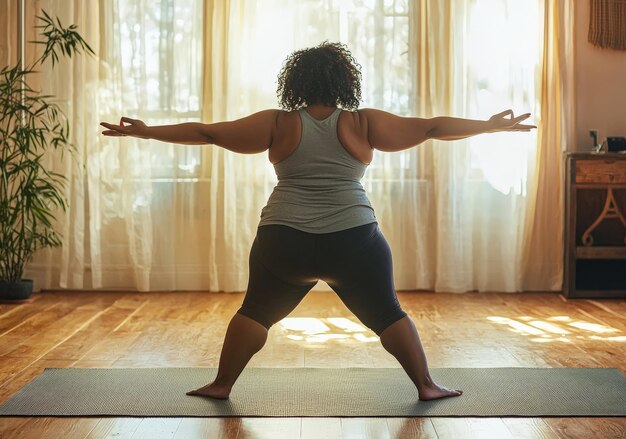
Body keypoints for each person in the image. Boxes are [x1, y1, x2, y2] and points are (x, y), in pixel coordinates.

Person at [100, 41, 535, 402]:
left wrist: (146, 131)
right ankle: (426, 385)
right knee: (388, 312)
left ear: (296, 83)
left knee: (254, 311)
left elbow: (207, 133)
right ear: (345, 81)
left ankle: (221, 384)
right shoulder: (362, 123)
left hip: (283, 242)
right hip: (354, 242)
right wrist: (488, 126)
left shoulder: (278, 123)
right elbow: (432, 128)